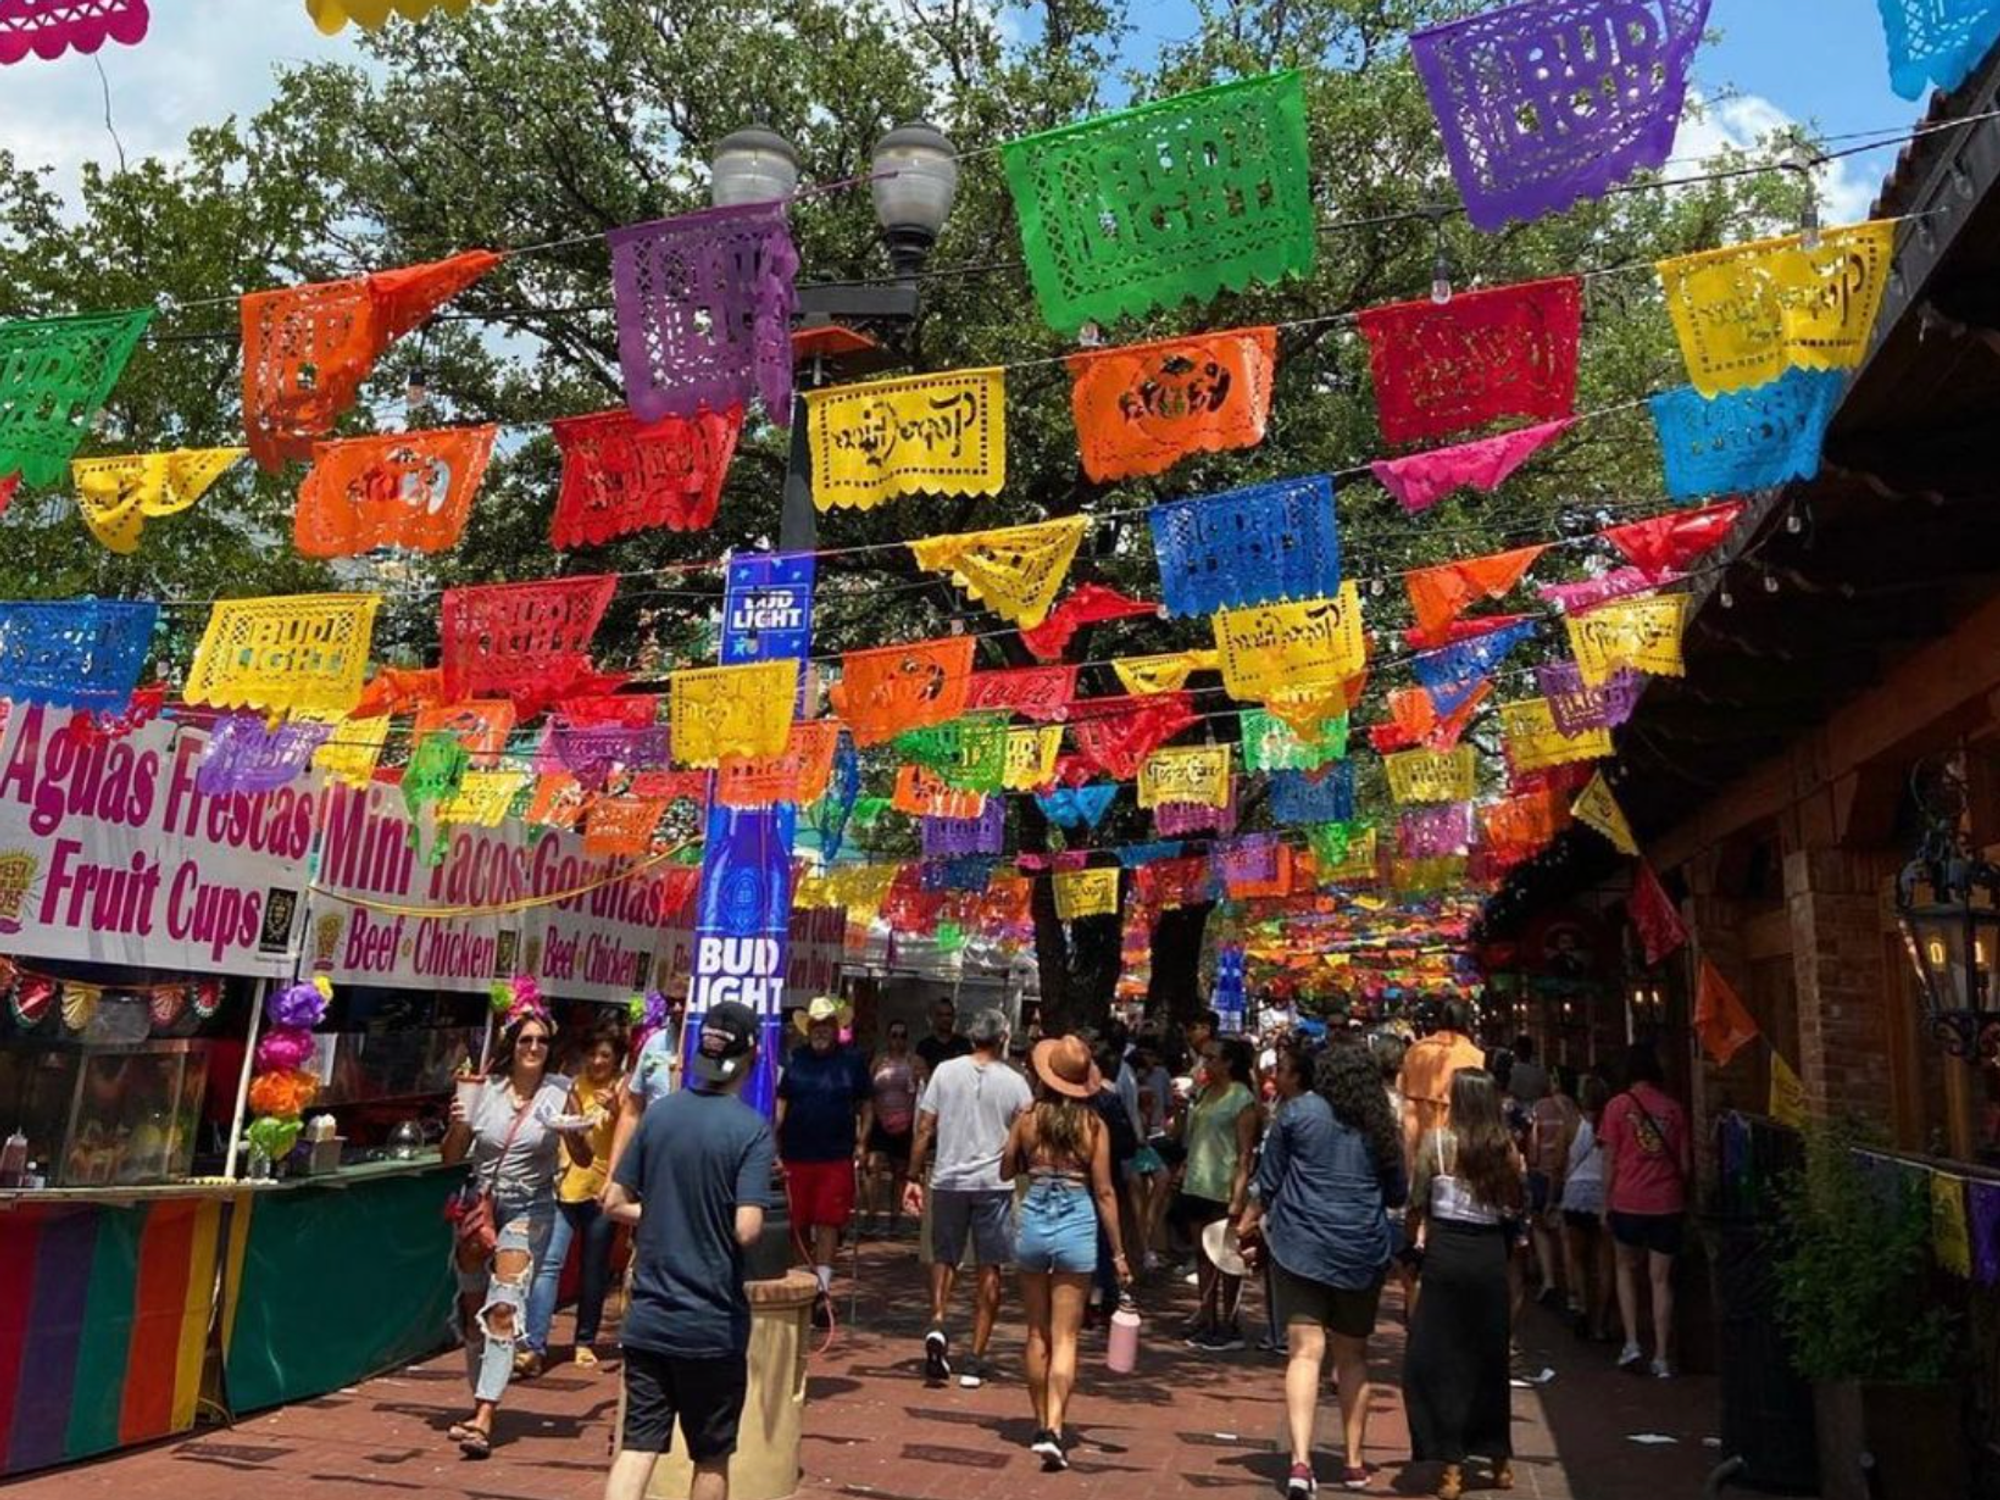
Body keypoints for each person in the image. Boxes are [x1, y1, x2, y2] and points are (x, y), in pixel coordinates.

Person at [602, 1000, 774, 1500]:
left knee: (637, 1448)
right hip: (711, 1324)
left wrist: (665, 1215)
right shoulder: (751, 1131)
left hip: (649, 1319)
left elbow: (613, 1201)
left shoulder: (660, 1116)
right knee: (711, 1456)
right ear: (753, 1055)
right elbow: (747, 1228)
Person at [1240, 1044, 1408, 1496]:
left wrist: (1246, 1223)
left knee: (1304, 1353)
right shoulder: (1380, 1124)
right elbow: (1396, 1193)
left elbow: (1268, 1180)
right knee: (1353, 1357)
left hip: (1300, 1247)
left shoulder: (1297, 1114)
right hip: (1360, 1248)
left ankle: (1299, 1462)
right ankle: (1353, 1462)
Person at [439, 1005, 591, 1458]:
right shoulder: (483, 1089)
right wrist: (458, 1122)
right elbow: (450, 1156)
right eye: (525, 1040)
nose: (533, 1048)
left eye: (541, 1041)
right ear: (512, 1045)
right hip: (479, 1204)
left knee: (504, 1305)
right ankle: (477, 1399)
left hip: (531, 1206)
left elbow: (583, 1159)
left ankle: (485, 1416)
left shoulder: (562, 1093)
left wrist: (572, 1134)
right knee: (472, 1306)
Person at [1000, 1034, 1130, 1471]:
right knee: (1067, 1336)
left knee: (1036, 1333)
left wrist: (1023, 1156)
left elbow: (1005, 1168)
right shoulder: (1094, 1127)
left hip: (1035, 1217)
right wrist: (1119, 1253)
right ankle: (1056, 1426)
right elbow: (1106, 1191)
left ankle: (1040, 1422)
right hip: (1077, 1220)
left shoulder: (1029, 1118)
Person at [1403, 1069, 1523, 1500]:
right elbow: (1515, 1205)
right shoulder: (1505, 1148)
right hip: (1490, 1257)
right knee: (1489, 1359)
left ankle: (1450, 1462)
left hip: (1446, 1256)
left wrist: (1408, 1249)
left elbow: (1416, 1202)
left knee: (1435, 1359)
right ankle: (1499, 1458)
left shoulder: (1437, 1144)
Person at [905, 1006, 1032, 1389]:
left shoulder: (944, 1071)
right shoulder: (1016, 1082)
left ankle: (940, 1319)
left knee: (945, 1257)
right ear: (1003, 1038)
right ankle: (975, 1358)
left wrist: (911, 1175)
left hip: (948, 1179)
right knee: (990, 1266)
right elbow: (1025, 1136)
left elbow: (925, 1128)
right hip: (993, 1184)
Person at [524, 1022, 625, 1373]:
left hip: (601, 1191)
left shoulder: (624, 1090)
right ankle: (535, 1344)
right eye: (593, 1054)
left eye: (605, 1056)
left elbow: (625, 1136)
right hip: (565, 1186)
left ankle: (585, 1340)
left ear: (616, 1060)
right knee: (549, 1264)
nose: (597, 1061)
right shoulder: (570, 1086)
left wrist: (616, 1110)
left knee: (594, 1269)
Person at [775, 996, 873, 1329]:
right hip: (795, 1152)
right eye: (815, 1025)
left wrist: (862, 1142)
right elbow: (782, 1102)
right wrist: (774, 1139)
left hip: (836, 1154)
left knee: (829, 1222)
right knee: (797, 1223)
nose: (820, 1031)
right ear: (809, 1029)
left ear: (835, 1028)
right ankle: (802, 1284)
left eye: (826, 1025)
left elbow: (866, 1104)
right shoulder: (796, 1059)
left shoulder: (853, 1061)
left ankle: (822, 1290)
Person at [1601, 1042, 1692, 1378]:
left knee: (1626, 1269)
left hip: (1627, 1200)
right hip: (1666, 1203)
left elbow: (1609, 1160)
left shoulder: (1616, 1107)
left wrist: (1605, 1201)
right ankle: (1662, 1356)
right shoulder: (1673, 1109)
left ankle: (1632, 1342)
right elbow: (1685, 1165)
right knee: (1660, 1280)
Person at [1177, 1036, 1262, 1352]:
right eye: (1204, 1058)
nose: (1206, 1063)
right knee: (1202, 1254)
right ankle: (1207, 1315)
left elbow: (1245, 1153)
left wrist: (1238, 1196)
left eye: (1212, 1058)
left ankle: (1230, 1320)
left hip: (1222, 1186)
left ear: (1228, 1063)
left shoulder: (1241, 1099)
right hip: (1197, 1182)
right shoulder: (1204, 1093)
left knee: (1226, 1258)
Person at [1560, 1074, 1615, 1342]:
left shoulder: (1572, 1123)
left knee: (1578, 1259)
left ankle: (1583, 1307)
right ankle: (1601, 1321)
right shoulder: (1613, 1123)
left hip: (1575, 1193)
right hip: (1604, 1194)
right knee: (1605, 1261)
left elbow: (1561, 1159)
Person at [1398, 999, 1485, 1166]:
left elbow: (1401, 1092)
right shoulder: (1475, 1056)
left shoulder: (1415, 1050)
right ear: (1467, 1023)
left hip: (1416, 1142)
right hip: (1456, 1143)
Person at [1526, 1065, 1581, 1307]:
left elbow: (1533, 1148)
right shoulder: (1578, 1111)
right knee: (1567, 1236)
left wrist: (1531, 1162)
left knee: (1539, 1227)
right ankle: (1573, 1291)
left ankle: (1549, 1280)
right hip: (1571, 1177)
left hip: (1543, 1174)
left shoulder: (1541, 1107)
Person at [862, 1019, 919, 1236]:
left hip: (905, 1122)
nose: (898, 1039)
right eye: (894, 1035)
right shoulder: (879, 1061)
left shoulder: (913, 1061)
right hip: (879, 1119)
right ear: (888, 1038)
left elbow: (923, 1089)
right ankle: (871, 1215)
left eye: (902, 1035)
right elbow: (868, 1090)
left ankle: (895, 1220)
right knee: (873, 1166)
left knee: (900, 1171)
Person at [915, 997, 971, 1078]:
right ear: (934, 1018)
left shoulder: (964, 1044)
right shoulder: (924, 1046)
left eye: (948, 1015)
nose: (945, 1019)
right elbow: (921, 1074)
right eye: (940, 1015)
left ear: (953, 1017)